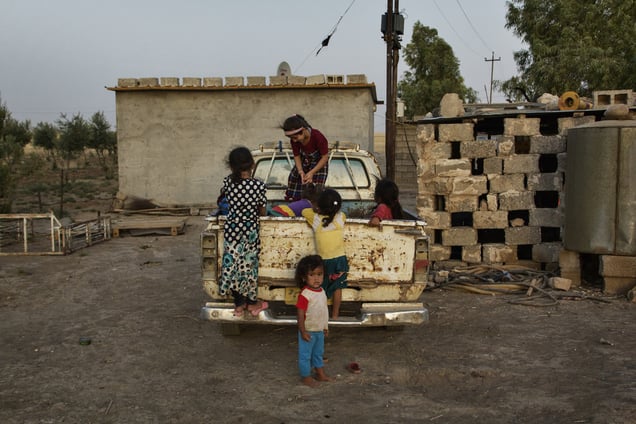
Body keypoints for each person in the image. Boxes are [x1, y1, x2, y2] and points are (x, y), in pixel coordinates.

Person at [218, 146, 269, 317]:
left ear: (231, 167)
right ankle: (252, 303)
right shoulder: (259, 186)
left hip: (232, 230)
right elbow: (262, 210)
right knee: (248, 266)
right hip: (250, 231)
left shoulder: (227, 183)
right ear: (252, 165)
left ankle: (238, 305)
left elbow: (224, 201)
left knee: (233, 266)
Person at [301, 188, 348, 319]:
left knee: (321, 288)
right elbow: (339, 213)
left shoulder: (315, 219)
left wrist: (316, 209)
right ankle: (335, 315)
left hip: (325, 261)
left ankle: (323, 315)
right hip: (340, 261)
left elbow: (304, 211)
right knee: (338, 288)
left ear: (319, 207)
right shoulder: (341, 217)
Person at [295, 254, 333, 387]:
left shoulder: (322, 291)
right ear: (304, 277)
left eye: (319, 274)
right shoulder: (305, 294)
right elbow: (300, 315)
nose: (316, 278)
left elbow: (323, 311)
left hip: (319, 331)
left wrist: (325, 327)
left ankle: (320, 373)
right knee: (305, 355)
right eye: (312, 275)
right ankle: (305, 376)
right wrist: (303, 331)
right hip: (308, 331)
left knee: (318, 353)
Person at [282, 114, 330, 201]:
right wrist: (300, 172)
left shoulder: (318, 137)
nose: (294, 141)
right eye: (291, 138)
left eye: (296, 138)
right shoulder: (294, 141)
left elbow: (325, 157)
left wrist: (311, 173)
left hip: (319, 165)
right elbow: (296, 156)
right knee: (295, 179)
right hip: (304, 162)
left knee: (316, 190)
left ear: (303, 130)